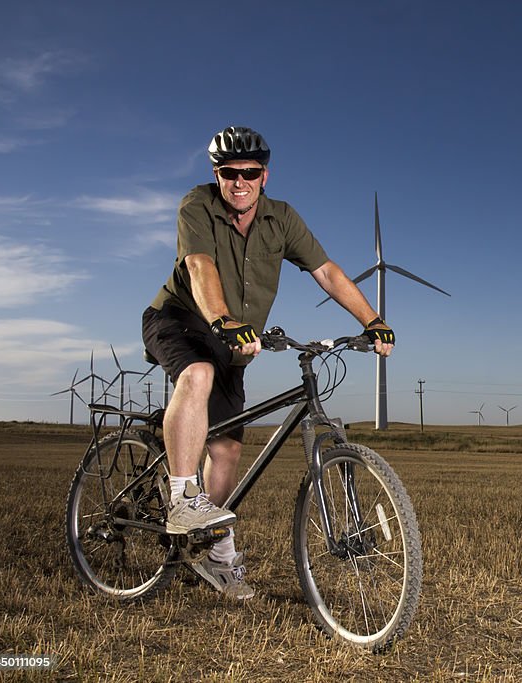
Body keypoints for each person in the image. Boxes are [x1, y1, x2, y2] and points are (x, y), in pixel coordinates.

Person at [142, 126, 394, 600]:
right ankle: (180, 498)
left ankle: (215, 555)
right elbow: (200, 265)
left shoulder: (282, 219)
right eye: (229, 173)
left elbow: (327, 272)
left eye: (250, 173)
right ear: (216, 175)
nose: (239, 182)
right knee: (197, 373)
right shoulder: (196, 205)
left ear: (265, 175)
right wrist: (220, 318)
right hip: (178, 320)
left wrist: (373, 319)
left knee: (228, 451)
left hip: (233, 341)